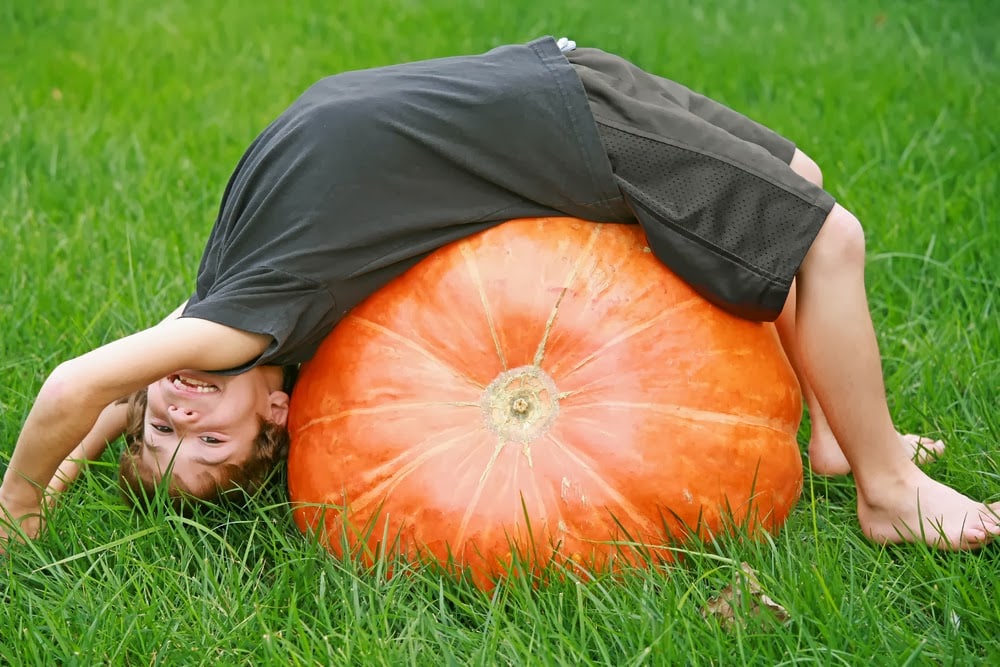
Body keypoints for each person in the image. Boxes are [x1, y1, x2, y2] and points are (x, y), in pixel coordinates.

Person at [1, 36, 996, 551]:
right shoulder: (229, 330)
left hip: (550, 89)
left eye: (159, 425)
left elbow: (82, 388)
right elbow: (101, 393)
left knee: (798, 187)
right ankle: (882, 489)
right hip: (562, 120)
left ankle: (843, 446)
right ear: (278, 414)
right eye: (202, 444)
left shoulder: (216, 326)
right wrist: (102, 447)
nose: (177, 416)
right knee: (827, 235)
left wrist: (24, 500)